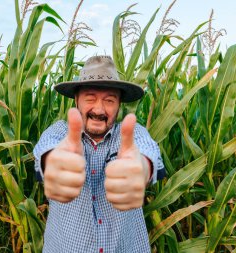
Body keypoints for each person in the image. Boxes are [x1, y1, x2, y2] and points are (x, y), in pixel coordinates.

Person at [33, 55, 165, 253]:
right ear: (76, 100)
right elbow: (47, 153)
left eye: (109, 100)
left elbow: (148, 154)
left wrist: (140, 170)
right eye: (90, 98)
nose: (99, 109)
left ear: (119, 104)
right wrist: (55, 164)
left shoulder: (131, 134)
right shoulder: (59, 132)